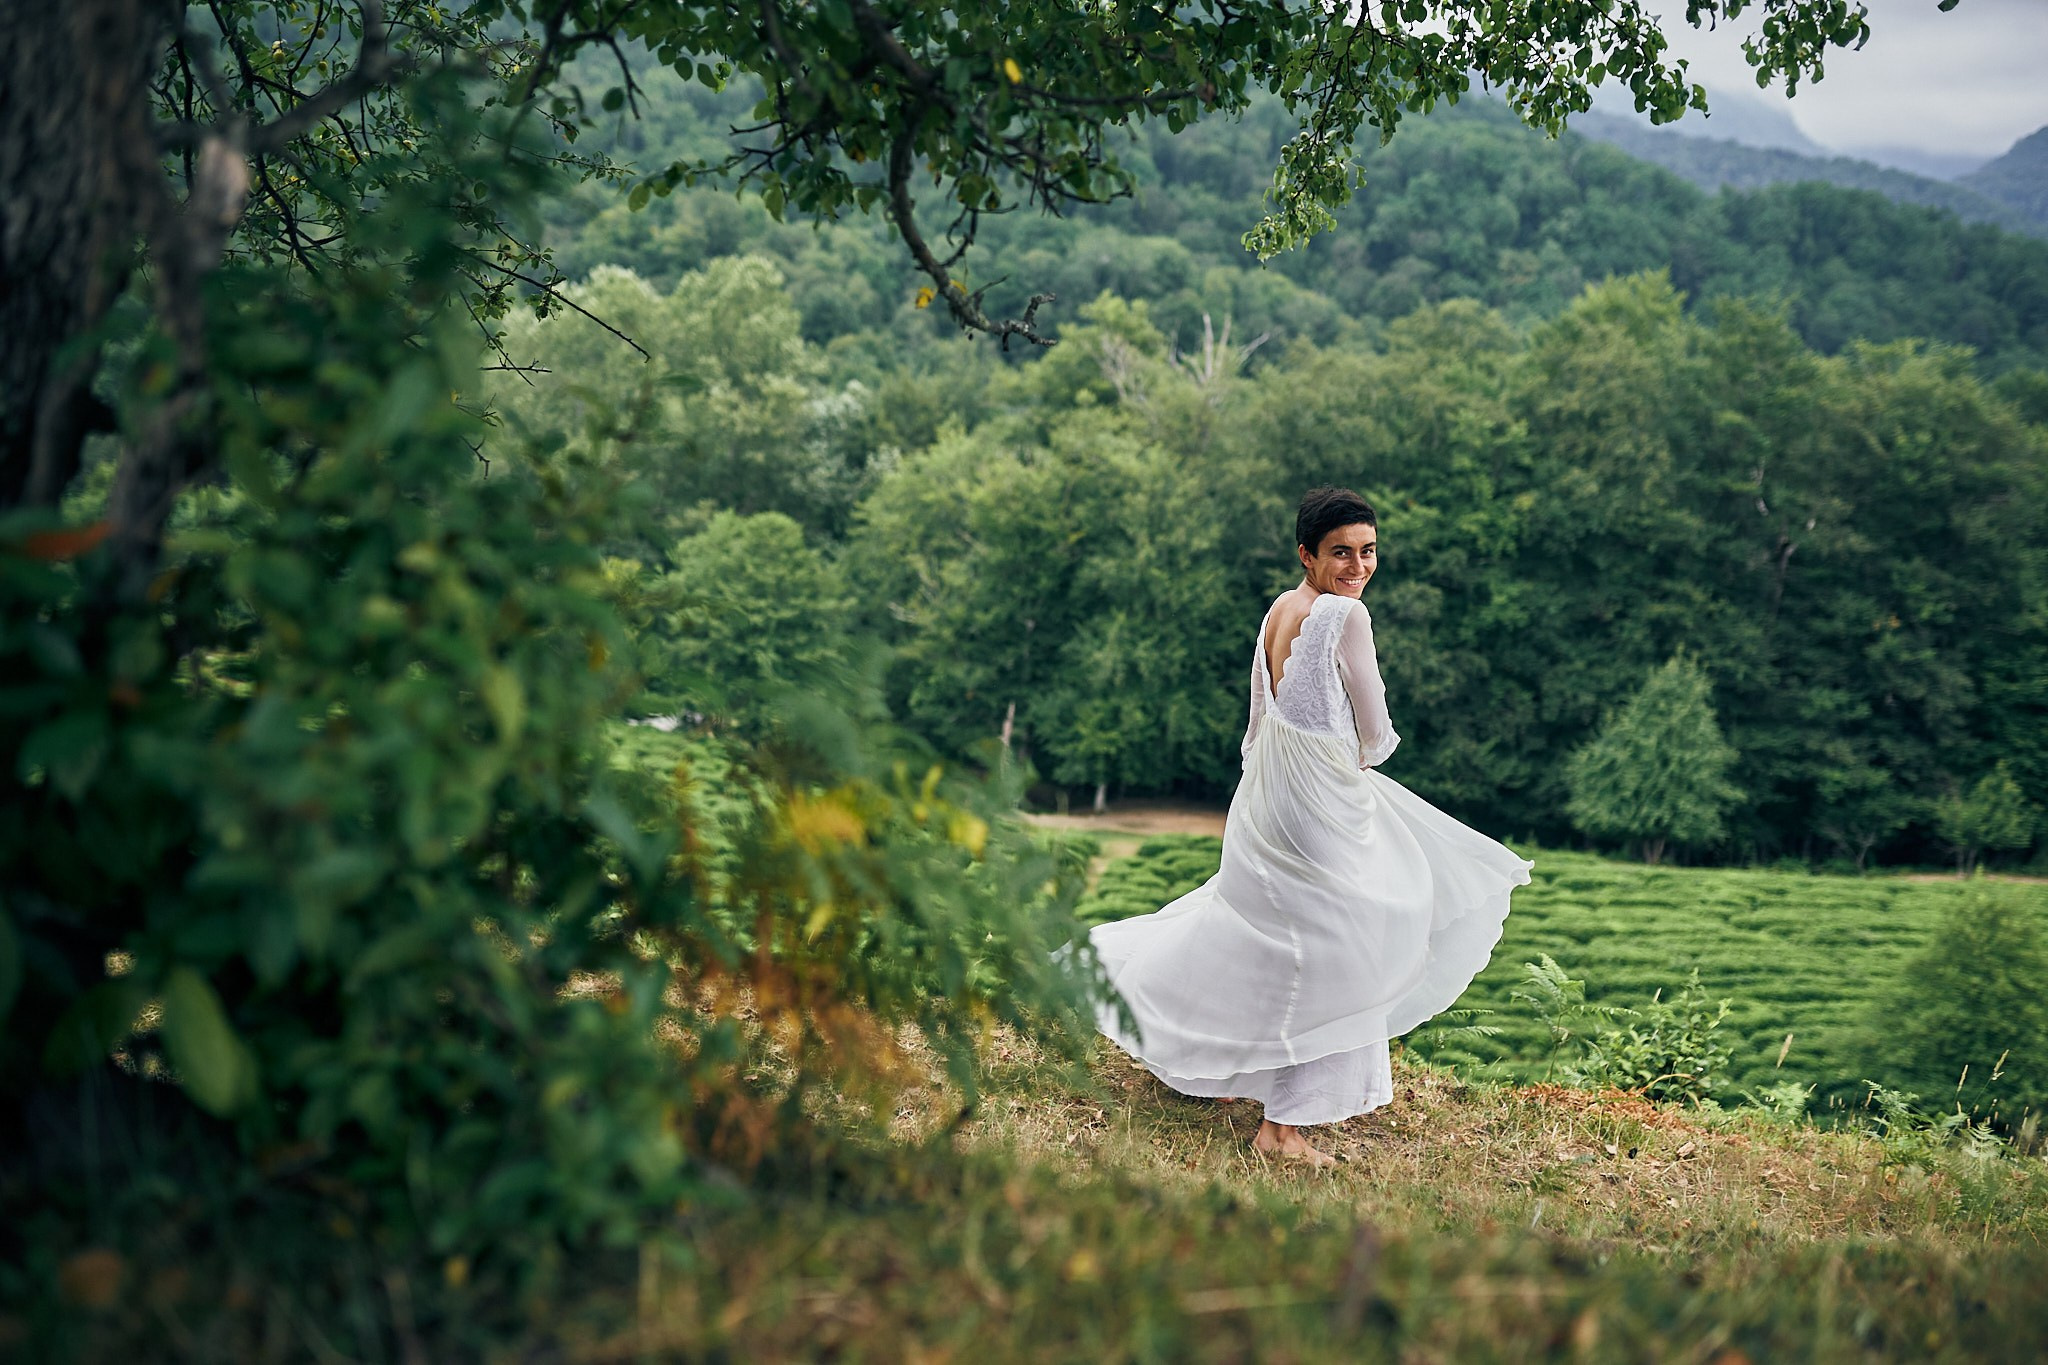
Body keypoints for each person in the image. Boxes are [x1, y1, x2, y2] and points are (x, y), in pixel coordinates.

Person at [1087, 486, 1533, 1166]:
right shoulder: (1343, 616)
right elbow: (1376, 726)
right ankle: (1283, 1126)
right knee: (1343, 940)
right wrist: (1356, 757)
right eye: (1342, 552)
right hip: (1320, 796)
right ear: (1308, 553)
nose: (1358, 566)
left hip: (1268, 792)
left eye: (1368, 551)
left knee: (1264, 929)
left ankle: (1230, 1068)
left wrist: (1270, 780)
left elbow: (1258, 718)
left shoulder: (1279, 608)